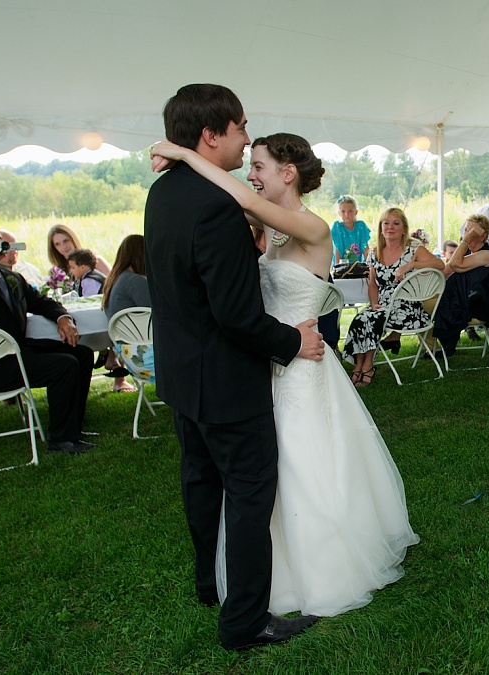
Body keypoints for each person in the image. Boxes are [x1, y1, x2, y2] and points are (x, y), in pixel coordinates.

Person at [152, 128, 419, 621]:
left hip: (302, 371)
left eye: (259, 167)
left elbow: (230, 193)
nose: (249, 176)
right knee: (263, 476)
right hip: (268, 363)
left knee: (302, 467)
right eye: (249, 167)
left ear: (288, 173)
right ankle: (267, 570)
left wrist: (187, 155)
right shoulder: (270, 230)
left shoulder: (312, 228)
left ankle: (317, 569)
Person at [143, 84, 324, 651]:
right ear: (210, 135)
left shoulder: (163, 193)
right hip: (225, 380)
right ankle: (245, 621)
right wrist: (291, 342)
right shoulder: (217, 208)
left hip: (180, 373)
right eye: (241, 127)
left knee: (200, 479)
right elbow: (238, 316)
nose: (247, 139)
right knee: (249, 494)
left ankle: (209, 581)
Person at [0, 221, 95, 454]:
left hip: (16, 352)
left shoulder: (11, 277)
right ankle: (60, 440)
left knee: (81, 353)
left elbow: (40, 302)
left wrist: (62, 318)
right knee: (63, 365)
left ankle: (73, 428)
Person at [342, 207, 445, 385]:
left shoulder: (413, 249)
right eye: (386, 223)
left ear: (404, 228)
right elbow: (373, 284)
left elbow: (439, 264)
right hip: (382, 305)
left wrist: (411, 265)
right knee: (360, 319)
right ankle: (358, 366)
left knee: (372, 320)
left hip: (408, 307)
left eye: (396, 223)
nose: (390, 227)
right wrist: (374, 304)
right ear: (381, 228)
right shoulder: (375, 252)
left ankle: (368, 365)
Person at [432, 214, 489, 357]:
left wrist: (464, 241)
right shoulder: (469, 252)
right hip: (474, 298)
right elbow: (447, 270)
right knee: (444, 298)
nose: (466, 234)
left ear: (483, 235)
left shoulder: (486, 254)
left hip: (487, 302)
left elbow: (454, 264)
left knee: (449, 303)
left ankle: (445, 343)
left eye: (471, 231)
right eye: (465, 230)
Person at [101, 234, 150, 394]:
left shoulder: (114, 281)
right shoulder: (136, 282)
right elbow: (159, 316)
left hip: (128, 356)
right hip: (148, 357)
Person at [46, 224, 111, 279]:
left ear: (73, 239)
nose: (64, 246)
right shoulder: (56, 272)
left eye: (66, 241)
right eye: (57, 244)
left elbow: (113, 285)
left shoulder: (97, 261)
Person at [331, 195, 371, 263]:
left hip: (357, 266)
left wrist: (369, 266)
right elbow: (337, 249)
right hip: (342, 265)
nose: (346, 214)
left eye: (350, 211)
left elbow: (366, 250)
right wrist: (338, 268)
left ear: (356, 212)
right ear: (339, 213)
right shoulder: (337, 227)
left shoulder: (361, 226)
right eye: (343, 211)